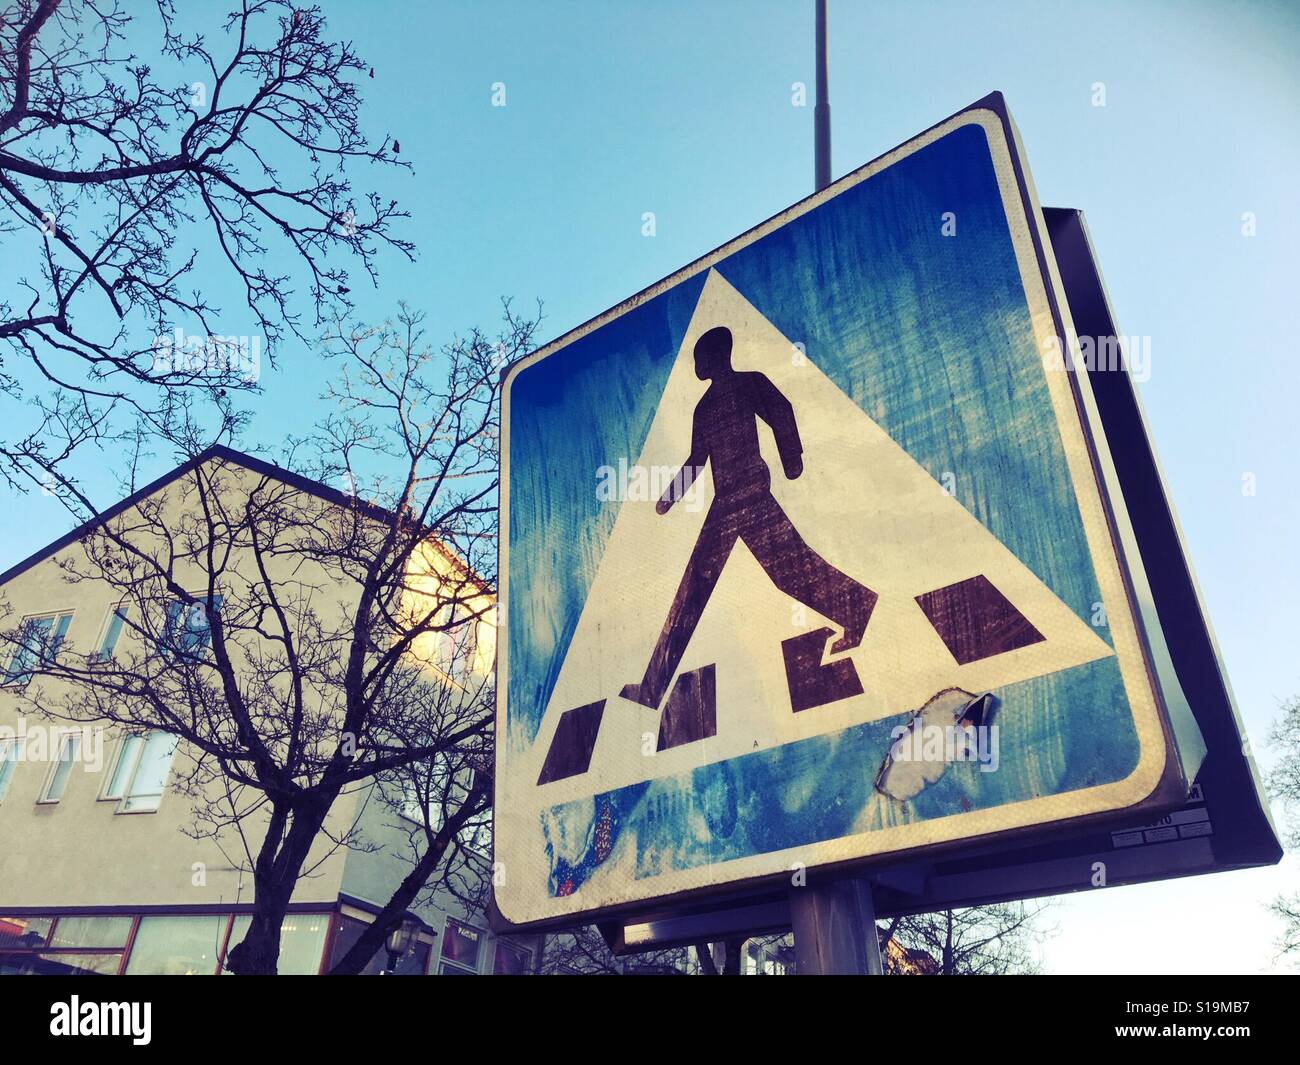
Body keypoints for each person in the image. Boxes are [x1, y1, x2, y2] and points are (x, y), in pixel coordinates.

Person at [620, 325, 876, 710]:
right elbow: (696, 460)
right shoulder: (703, 409)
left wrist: (792, 457)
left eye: (699, 358)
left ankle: (857, 607)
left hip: (750, 493)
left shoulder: (749, 383)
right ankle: (653, 689)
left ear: (716, 356)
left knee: (786, 572)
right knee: (701, 589)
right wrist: (668, 497)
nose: (695, 365)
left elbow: (780, 410)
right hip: (727, 502)